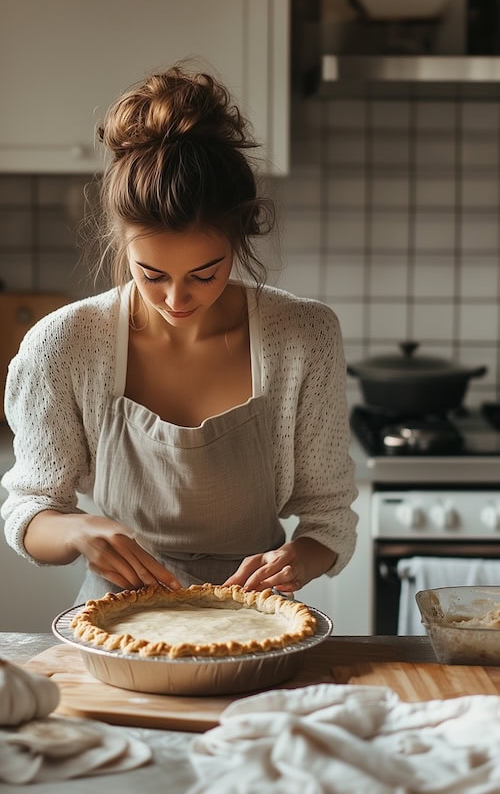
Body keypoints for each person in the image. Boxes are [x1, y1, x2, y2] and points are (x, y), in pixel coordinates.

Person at [1, 64, 358, 604]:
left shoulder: (303, 336)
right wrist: (77, 531)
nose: (176, 299)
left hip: (258, 617)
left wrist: (297, 559)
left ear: (239, 240)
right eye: (152, 275)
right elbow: (28, 507)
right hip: (117, 620)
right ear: (122, 247)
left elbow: (329, 518)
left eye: (204, 274)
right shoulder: (66, 343)